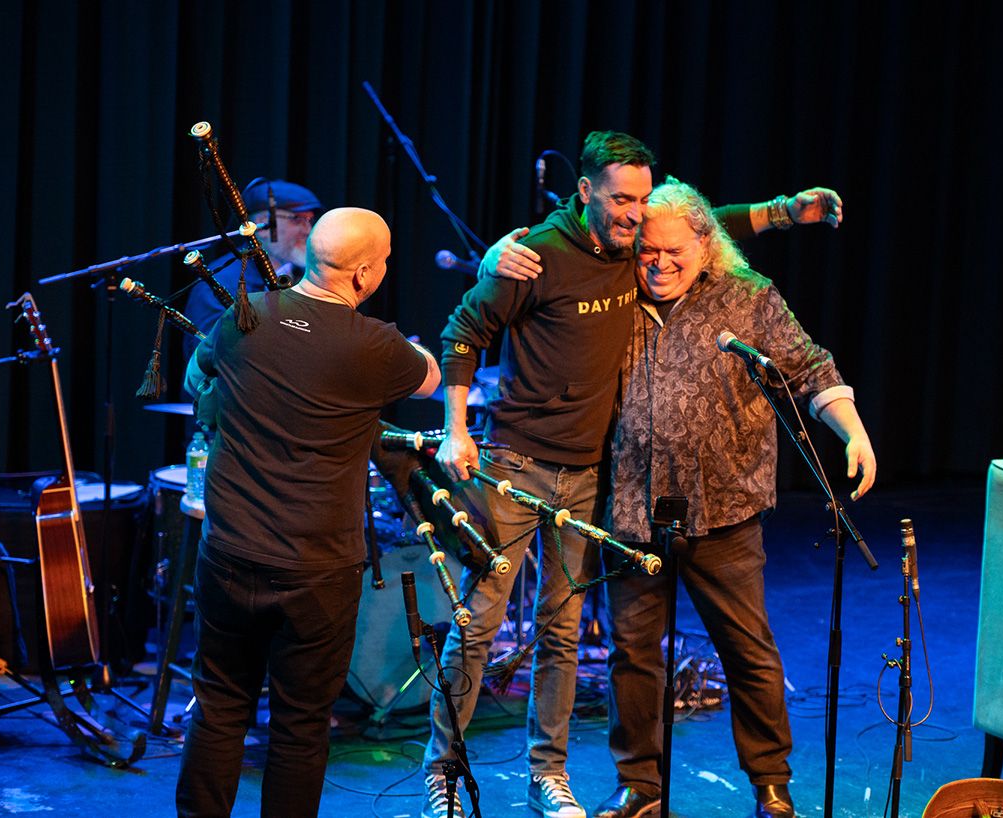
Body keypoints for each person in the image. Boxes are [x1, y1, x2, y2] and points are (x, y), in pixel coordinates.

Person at [424, 130, 840, 818]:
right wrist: (457, 427)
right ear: (584, 190)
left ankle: (548, 775)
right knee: (479, 623)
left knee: (562, 633)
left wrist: (784, 211)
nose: (634, 216)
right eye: (621, 200)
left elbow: (702, 224)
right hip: (523, 468)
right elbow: (464, 331)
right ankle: (443, 772)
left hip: (594, 480)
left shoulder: (639, 251)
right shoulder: (538, 254)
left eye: (642, 201)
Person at [593, 178, 876, 818]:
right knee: (633, 655)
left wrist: (854, 432)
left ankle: (771, 784)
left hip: (723, 509)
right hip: (632, 511)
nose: (658, 264)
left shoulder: (747, 298)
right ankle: (640, 785)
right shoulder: (614, 292)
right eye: (647, 251)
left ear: (706, 245)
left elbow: (810, 368)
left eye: (674, 252)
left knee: (748, 651)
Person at [176, 207, 440, 817]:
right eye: (385, 261)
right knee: (299, 725)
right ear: (365, 273)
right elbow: (429, 377)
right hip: (317, 570)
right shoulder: (376, 346)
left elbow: (195, 378)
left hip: (230, 553)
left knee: (219, 706)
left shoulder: (244, 315)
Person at [182, 177, 323, 359]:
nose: (308, 230)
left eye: (310, 220)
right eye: (297, 219)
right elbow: (208, 355)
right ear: (263, 225)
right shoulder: (218, 280)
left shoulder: (305, 277)